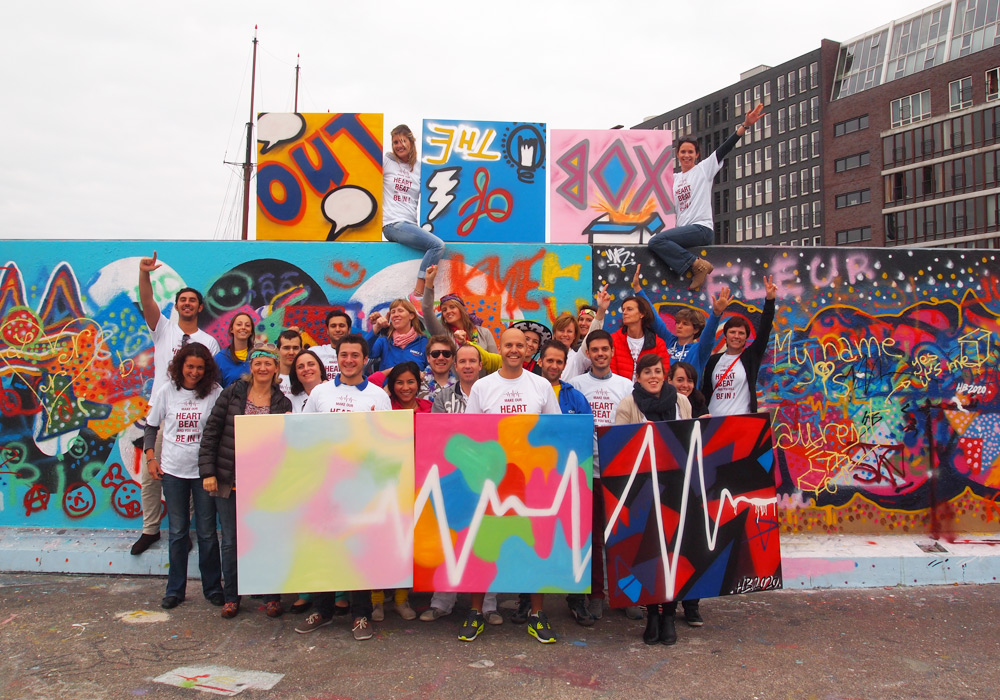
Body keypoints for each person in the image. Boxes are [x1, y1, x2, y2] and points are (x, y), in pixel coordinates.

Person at [463, 328, 561, 643]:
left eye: (521, 345)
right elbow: (471, 434)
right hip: (491, 481)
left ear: (528, 350)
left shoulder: (541, 385)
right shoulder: (483, 386)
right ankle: (475, 612)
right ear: (500, 349)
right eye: (509, 345)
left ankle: (537, 615)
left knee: (535, 547)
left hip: (532, 482)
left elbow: (555, 432)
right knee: (483, 545)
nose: (515, 350)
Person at [296, 334, 391, 641]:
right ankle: (321, 610)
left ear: (365, 360)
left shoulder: (378, 396)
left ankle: (361, 615)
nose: (349, 360)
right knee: (323, 547)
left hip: (360, 485)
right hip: (323, 483)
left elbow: (386, 441)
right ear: (337, 359)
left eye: (355, 355)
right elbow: (304, 434)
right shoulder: (320, 392)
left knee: (357, 550)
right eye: (344, 355)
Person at [133, 251, 220, 556]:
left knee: (192, 477)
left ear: (199, 307)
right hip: (162, 417)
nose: (187, 304)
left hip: (195, 419)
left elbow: (211, 380)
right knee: (151, 476)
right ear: (176, 305)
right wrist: (145, 273)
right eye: (182, 300)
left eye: (192, 300)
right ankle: (150, 529)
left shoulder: (209, 342)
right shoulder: (163, 328)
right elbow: (147, 301)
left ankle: (184, 532)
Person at [198, 343, 292, 620]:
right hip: (231, 481)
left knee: (267, 540)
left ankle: (271, 596)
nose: (262, 368)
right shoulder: (233, 393)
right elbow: (212, 432)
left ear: (276, 368)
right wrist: (208, 472)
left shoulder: (282, 403)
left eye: (268, 363)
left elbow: (285, 446)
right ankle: (232, 597)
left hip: (265, 485)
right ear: (251, 366)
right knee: (231, 542)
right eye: (258, 363)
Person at [613, 353, 692, 646]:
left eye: (658, 371)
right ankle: (653, 617)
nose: (653, 376)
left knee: (673, 553)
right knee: (648, 553)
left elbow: (689, 441)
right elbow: (619, 448)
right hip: (644, 492)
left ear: (665, 375)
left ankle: (669, 615)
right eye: (647, 372)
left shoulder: (681, 402)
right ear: (638, 377)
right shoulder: (628, 404)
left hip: (676, 490)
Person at [421, 344, 503, 626]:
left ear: (481, 365)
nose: (467, 366)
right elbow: (435, 435)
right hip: (452, 477)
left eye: (472, 361)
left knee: (486, 538)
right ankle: (442, 601)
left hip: (487, 478)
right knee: (451, 535)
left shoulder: (494, 392)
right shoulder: (443, 397)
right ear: (455, 366)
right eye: (462, 361)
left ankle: (489, 604)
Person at [648, 104, 765, 291]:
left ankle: (697, 265)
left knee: (656, 241)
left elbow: (725, 148)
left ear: (697, 154)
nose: (687, 155)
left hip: (701, 228)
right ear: (677, 155)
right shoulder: (674, 179)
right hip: (685, 231)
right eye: (683, 152)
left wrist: (745, 126)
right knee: (657, 241)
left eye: (690, 152)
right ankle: (693, 265)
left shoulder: (704, 169)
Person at [144, 342, 223, 610]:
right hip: (173, 472)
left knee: (207, 533)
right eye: (190, 366)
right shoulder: (167, 391)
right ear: (181, 366)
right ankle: (175, 590)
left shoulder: (214, 392)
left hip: (204, 473)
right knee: (178, 532)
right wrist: (151, 458)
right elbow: (150, 427)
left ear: (207, 369)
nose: (194, 372)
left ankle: (213, 588)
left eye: (200, 368)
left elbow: (222, 428)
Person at [567, 329, 635, 621]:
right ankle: (596, 596)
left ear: (612, 351)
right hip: (588, 471)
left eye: (604, 349)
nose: (599, 354)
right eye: (594, 350)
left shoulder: (626, 385)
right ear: (588, 354)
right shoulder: (575, 385)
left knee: (624, 536)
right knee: (593, 539)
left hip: (619, 472)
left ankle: (627, 595)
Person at [533, 339, 595, 627]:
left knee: (574, 538)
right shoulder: (530, 390)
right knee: (536, 538)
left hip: (570, 478)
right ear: (540, 361)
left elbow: (585, 434)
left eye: (560, 361)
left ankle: (576, 599)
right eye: (550, 360)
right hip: (537, 477)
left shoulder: (575, 397)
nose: (554, 365)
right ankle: (527, 600)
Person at [370, 361, 430, 623]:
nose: (405, 387)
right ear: (392, 385)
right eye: (399, 382)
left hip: (417, 486)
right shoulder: (385, 407)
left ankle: (401, 599)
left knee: (406, 544)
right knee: (381, 543)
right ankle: (376, 600)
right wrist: (387, 371)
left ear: (419, 383)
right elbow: (368, 382)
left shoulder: (429, 408)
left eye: (411, 381)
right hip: (386, 484)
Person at [662, 359, 710, 630]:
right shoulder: (665, 405)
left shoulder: (700, 406)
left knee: (694, 543)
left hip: (695, 483)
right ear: (669, 380)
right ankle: (668, 605)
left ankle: (692, 604)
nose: (686, 385)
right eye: (680, 379)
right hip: (669, 484)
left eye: (690, 380)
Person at [286, 347, 333, 616]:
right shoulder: (289, 398)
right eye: (300, 366)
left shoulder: (331, 392)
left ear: (320, 367)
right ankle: (305, 591)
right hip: (301, 470)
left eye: (311, 364)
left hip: (330, 469)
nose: (306, 369)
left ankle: (340, 594)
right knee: (305, 534)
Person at [631, 264, 732, 379]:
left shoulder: (699, 349)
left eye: (685, 324)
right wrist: (638, 289)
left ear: (696, 329)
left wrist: (716, 313)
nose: (679, 326)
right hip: (666, 390)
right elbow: (654, 318)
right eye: (678, 322)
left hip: (688, 390)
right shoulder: (669, 340)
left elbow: (709, 334)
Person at [383, 123, 445, 304]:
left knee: (435, 243)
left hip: (410, 224)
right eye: (395, 142)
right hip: (392, 223)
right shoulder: (387, 162)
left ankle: (418, 293)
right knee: (437, 245)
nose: (399, 145)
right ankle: (418, 293)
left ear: (411, 142)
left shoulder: (420, 168)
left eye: (403, 141)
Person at [702, 275, 777, 416]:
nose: (736, 336)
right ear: (725, 335)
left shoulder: (751, 357)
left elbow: (765, 329)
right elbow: (705, 391)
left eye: (741, 333)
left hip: (741, 421)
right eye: (732, 332)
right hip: (714, 421)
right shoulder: (713, 361)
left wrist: (769, 300)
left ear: (746, 337)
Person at [421, 265, 498, 353]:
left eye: (452, 307)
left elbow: (495, 359)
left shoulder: (484, 333)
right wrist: (429, 282)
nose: (448, 311)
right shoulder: (442, 334)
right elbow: (426, 309)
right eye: (444, 310)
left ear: (462, 309)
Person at [609, 296, 670, 383]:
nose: (624, 313)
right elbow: (611, 372)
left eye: (629, 309)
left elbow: (664, 373)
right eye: (623, 310)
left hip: (649, 390)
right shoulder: (613, 340)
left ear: (642, 314)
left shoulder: (658, 343)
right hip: (620, 390)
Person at [368, 298, 429, 373]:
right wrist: (377, 327)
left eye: (400, 311)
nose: (396, 315)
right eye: (393, 312)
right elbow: (364, 352)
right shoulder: (385, 341)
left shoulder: (423, 342)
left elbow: (431, 370)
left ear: (411, 315)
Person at [213, 313, 255, 388]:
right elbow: (216, 389)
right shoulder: (220, 358)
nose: (243, 327)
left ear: (251, 331)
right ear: (231, 329)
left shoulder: (258, 356)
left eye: (247, 325)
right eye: (239, 324)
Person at [311, 309, 352, 380]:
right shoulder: (314, 352)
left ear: (349, 330)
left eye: (341, 326)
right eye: (333, 326)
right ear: (327, 330)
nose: (337, 329)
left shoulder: (358, 353)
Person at [420, 335, 458, 401]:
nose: (441, 358)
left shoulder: (460, 388)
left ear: (453, 358)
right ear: (428, 358)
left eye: (446, 353)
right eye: (435, 353)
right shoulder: (417, 382)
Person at [276, 329, 302, 397]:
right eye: (286, 348)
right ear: (277, 351)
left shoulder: (306, 378)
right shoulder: (270, 378)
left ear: (301, 350)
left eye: (295, 348)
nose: (291, 352)